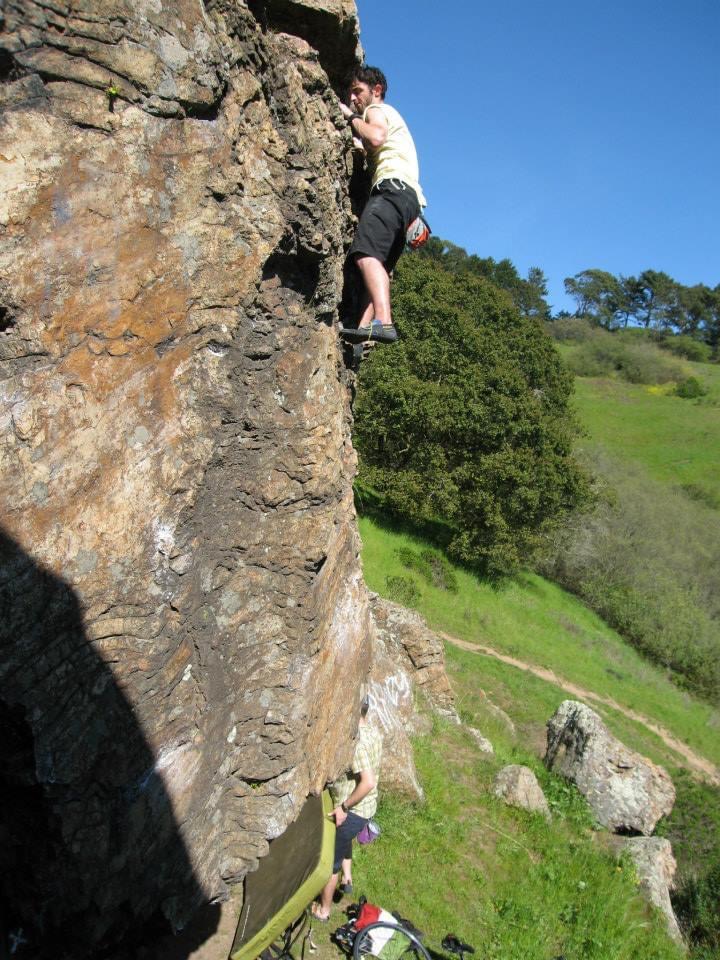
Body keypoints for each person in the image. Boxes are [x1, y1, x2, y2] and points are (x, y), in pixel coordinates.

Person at [338, 66, 426, 344]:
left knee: (365, 254)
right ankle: (363, 333)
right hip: (409, 201)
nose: (354, 98)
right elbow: (373, 146)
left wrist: (352, 118)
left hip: (391, 190)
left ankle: (384, 323)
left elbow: (376, 136)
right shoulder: (396, 121)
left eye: (357, 91)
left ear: (376, 91)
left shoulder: (376, 111)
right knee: (380, 267)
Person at [312, 695, 383, 922]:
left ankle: (324, 910)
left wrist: (343, 807)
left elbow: (368, 781)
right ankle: (348, 878)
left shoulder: (358, 741)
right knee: (344, 843)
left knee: (331, 861)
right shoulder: (374, 733)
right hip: (367, 807)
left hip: (353, 811)